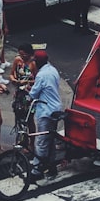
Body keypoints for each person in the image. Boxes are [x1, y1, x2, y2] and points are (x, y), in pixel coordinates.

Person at [28, 49, 61, 179]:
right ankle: (52, 166)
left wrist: (26, 91)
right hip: (55, 108)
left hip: (46, 111)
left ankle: (37, 170)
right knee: (50, 139)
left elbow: (33, 94)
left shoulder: (41, 75)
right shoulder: (52, 70)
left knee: (41, 141)